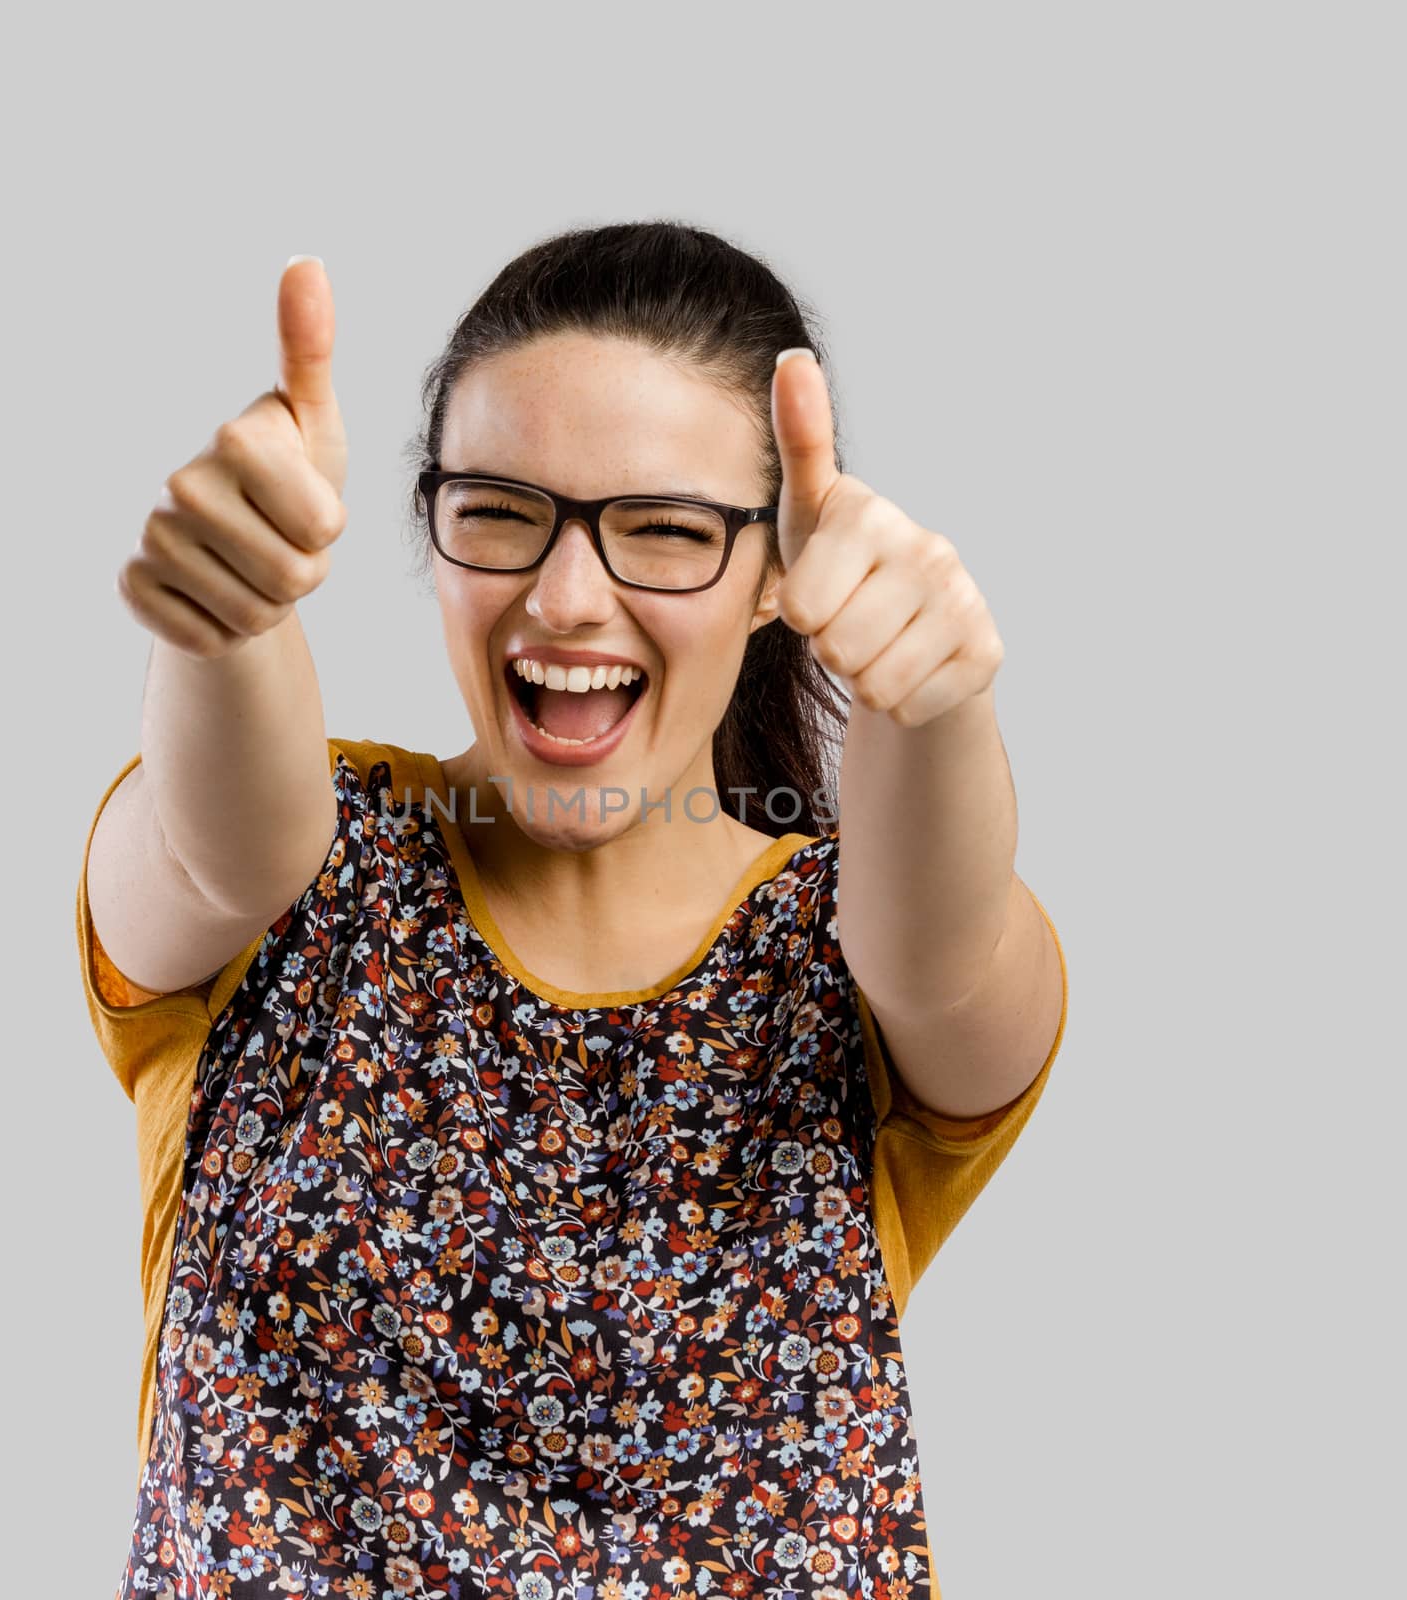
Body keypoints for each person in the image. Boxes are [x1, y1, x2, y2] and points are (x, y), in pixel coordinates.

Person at [77, 222, 1069, 1600]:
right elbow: (221, 841)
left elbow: (940, 947)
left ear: (781, 569)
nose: (564, 596)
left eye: (664, 529)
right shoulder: (301, 879)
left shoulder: (842, 962)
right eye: (500, 510)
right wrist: (231, 613)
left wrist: (932, 698)